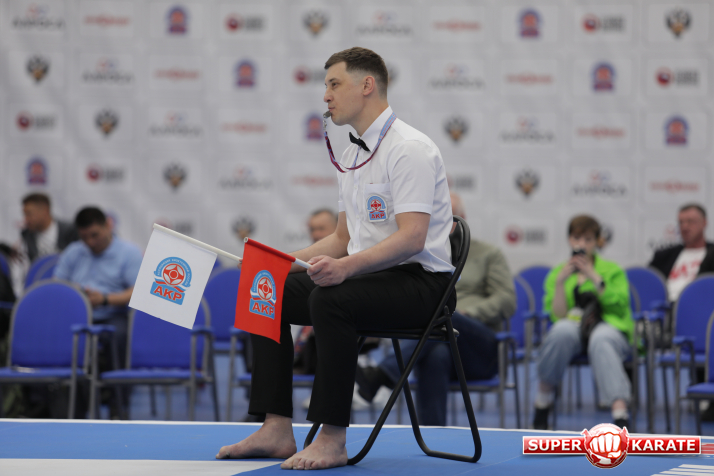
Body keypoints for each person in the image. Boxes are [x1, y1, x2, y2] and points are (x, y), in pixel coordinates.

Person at [217, 46, 454, 470]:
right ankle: (275, 427)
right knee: (265, 285)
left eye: (334, 84)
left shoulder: (410, 148)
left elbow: (413, 238)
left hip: (422, 285)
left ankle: (332, 437)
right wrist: (274, 260)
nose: (325, 95)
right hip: (372, 279)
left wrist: (345, 268)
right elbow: (343, 239)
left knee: (330, 298)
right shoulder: (352, 153)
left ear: (367, 85)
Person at [354, 192, 516, 426]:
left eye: (449, 216)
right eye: (435, 216)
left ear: (462, 218)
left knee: (447, 315)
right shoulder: (422, 254)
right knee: (436, 352)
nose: (443, 223)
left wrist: (471, 313)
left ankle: (382, 374)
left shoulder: (488, 254)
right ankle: (432, 434)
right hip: (440, 342)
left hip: (479, 348)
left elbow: (506, 299)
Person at [532, 215, 633, 430]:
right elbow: (557, 315)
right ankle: (542, 403)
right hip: (574, 328)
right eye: (577, 238)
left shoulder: (612, 270)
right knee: (560, 331)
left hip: (608, 326)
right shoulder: (558, 273)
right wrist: (560, 283)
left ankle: (620, 414)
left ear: (597, 242)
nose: (582, 245)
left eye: (588, 239)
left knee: (601, 339)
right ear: (569, 240)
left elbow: (619, 307)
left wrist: (594, 277)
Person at [54, 207, 142, 416]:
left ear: (108, 226)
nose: (90, 242)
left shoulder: (128, 253)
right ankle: (72, 409)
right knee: (59, 336)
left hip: (114, 315)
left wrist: (104, 299)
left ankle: (118, 406)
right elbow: (57, 286)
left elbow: (138, 291)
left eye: (95, 235)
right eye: (84, 237)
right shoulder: (73, 252)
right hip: (79, 317)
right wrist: (76, 295)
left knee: (119, 337)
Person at [10, 193, 78, 294]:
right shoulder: (26, 236)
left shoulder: (70, 231)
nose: (26, 219)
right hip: (39, 289)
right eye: (24, 214)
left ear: (45, 211)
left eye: (29, 214)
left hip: (69, 288)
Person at [649, 204, 714, 302]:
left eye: (690, 221)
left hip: (701, 304)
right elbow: (648, 282)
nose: (684, 227)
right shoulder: (664, 256)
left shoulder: (712, 254)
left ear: (704, 222)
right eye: (681, 222)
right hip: (665, 305)